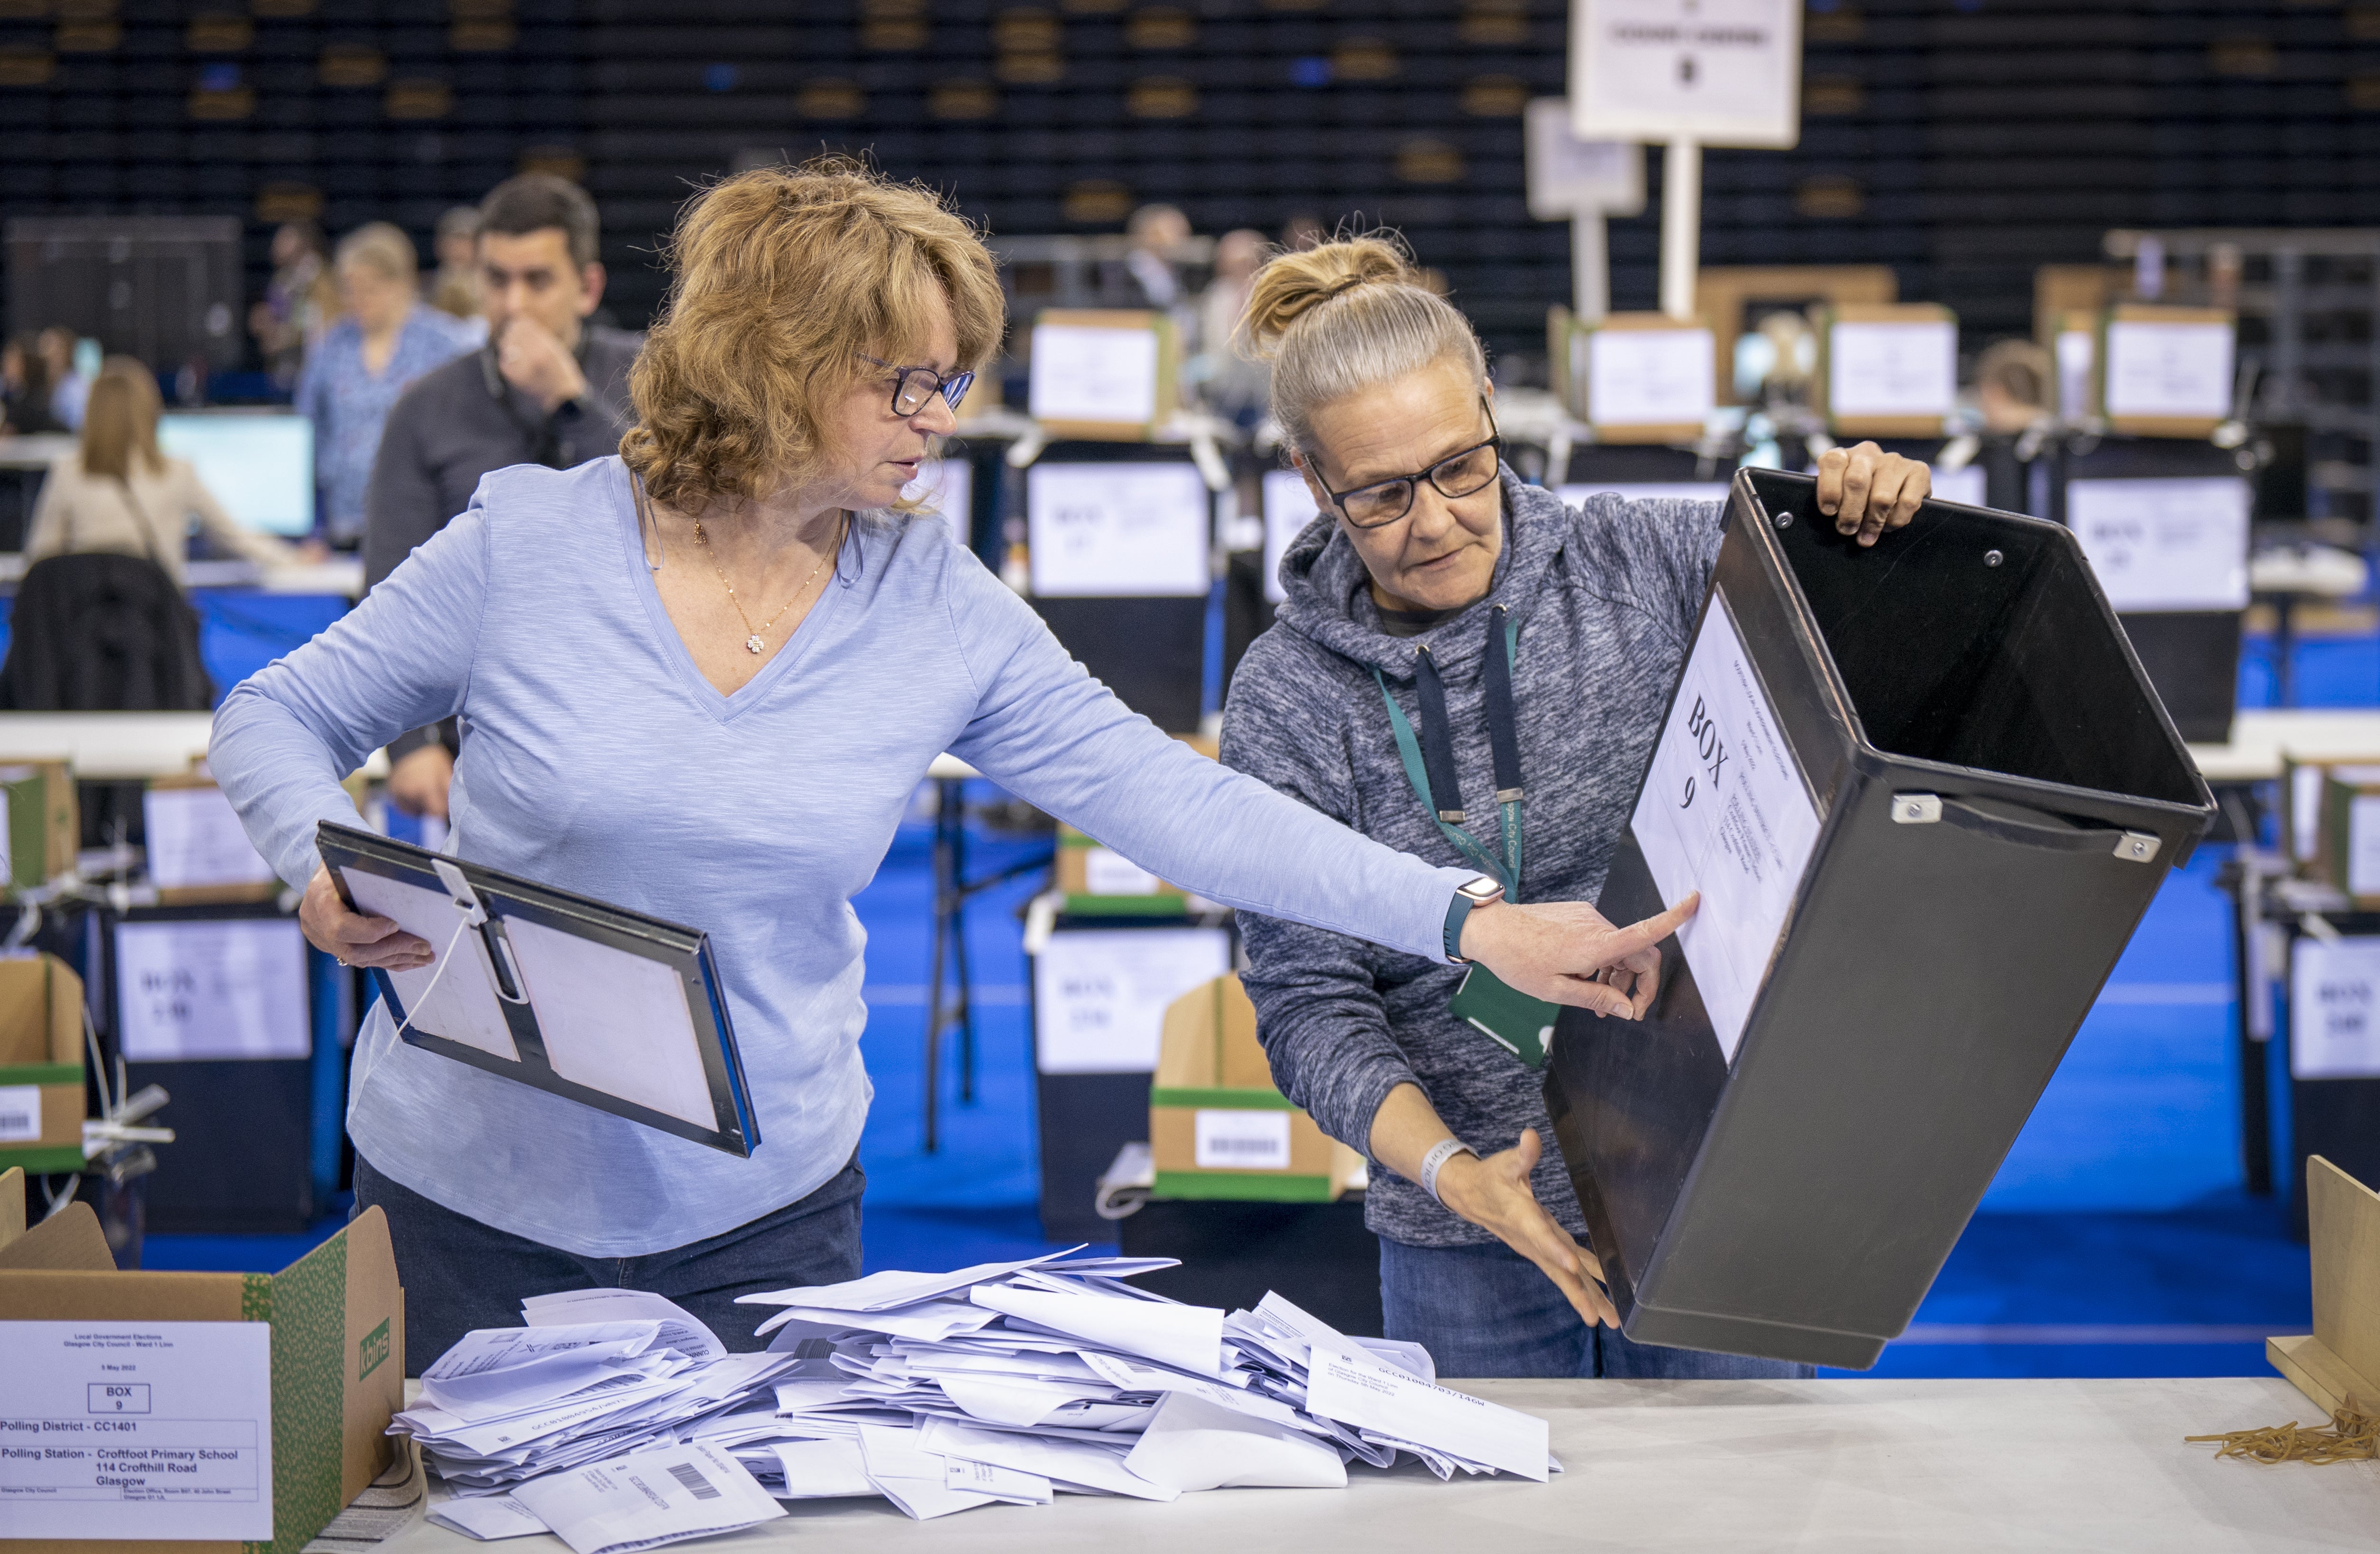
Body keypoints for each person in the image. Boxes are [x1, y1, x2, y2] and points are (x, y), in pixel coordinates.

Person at [208, 159, 1696, 1373]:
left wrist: (1466, 920)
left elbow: (1177, 799)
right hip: (463, 1201)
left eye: (952, 381)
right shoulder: (529, 539)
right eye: (907, 383)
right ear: (776, 364)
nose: (942, 418)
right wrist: (314, 857)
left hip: (765, 1216)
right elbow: (273, 715)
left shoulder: (934, 602)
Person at [1217, 235, 1932, 1379]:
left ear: (1495, 408)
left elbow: (1879, 632)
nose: (1439, 517)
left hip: (1711, 1191)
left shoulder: (1641, 560)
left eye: (1462, 464)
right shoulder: (1288, 696)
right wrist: (1458, 1176)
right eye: (1383, 493)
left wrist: (1870, 509)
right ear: (1311, 479)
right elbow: (1306, 1005)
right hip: (1464, 1240)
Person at [363, 174, 642, 825]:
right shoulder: (425, 409)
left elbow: (689, 511)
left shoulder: (650, 379)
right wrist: (408, 745)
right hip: (482, 756)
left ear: (588, 287)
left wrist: (570, 404)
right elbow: (388, 588)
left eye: (537, 280)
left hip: (637, 734)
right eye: (497, 280)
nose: (513, 304)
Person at [24, 357, 299, 583]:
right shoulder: (177, 474)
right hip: (156, 632)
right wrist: (294, 558)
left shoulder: (68, 473)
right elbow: (233, 537)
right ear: (150, 411)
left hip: (82, 631)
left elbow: (39, 559)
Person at [294, 223, 476, 548]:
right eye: (349, 288)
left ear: (401, 283)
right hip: (345, 521)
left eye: (370, 288)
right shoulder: (332, 347)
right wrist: (315, 526)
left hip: (424, 521)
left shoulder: (444, 343)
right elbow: (310, 431)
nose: (357, 300)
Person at [1192, 227, 1271, 428]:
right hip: (1222, 394)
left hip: (1264, 395)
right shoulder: (1217, 295)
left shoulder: (1271, 294)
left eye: (1245, 264)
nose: (1239, 271)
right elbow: (1207, 344)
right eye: (1231, 264)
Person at [249, 219, 334, 388]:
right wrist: (265, 324)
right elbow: (278, 318)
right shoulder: (282, 279)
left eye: (285, 239)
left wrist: (282, 337)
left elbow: (317, 326)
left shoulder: (322, 279)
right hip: (284, 367)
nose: (277, 244)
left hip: (311, 369)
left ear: (304, 243)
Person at [426, 205, 486, 327]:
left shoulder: (492, 291)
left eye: (467, 240)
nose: (460, 249)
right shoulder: (422, 291)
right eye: (455, 240)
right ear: (439, 245)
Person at [0, 334, 61, 436]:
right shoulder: (11, 397)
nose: (6, 364)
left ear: (27, 365)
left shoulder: (34, 403)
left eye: (13, 361)